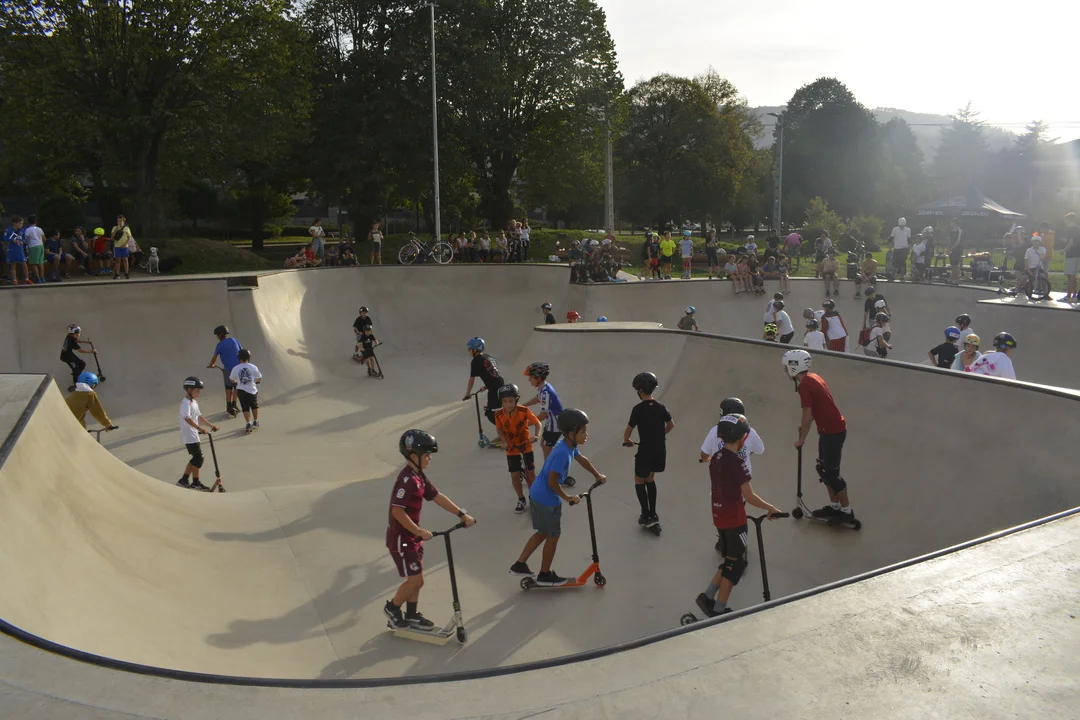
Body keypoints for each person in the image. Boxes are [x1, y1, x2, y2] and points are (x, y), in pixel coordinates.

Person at [384, 429, 476, 629]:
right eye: (426, 455)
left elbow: (436, 496)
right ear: (413, 456)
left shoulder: (418, 476)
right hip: (402, 539)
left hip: (412, 537)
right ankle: (392, 608)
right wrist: (418, 531)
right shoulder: (407, 481)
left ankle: (411, 615)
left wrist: (461, 514)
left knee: (417, 580)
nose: (430, 458)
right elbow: (397, 511)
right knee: (416, 581)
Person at [695, 413, 782, 618]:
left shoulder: (716, 457)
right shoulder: (737, 462)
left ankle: (707, 596)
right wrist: (770, 508)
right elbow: (749, 496)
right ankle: (719, 610)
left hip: (719, 516)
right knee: (736, 565)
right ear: (742, 437)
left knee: (729, 559)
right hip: (735, 519)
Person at [510, 409, 607, 585]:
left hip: (539, 494)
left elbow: (582, 459)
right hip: (546, 498)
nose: (586, 434)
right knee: (553, 536)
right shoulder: (562, 453)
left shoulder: (568, 446)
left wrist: (597, 474)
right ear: (570, 433)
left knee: (543, 532)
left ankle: (519, 564)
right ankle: (544, 574)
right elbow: (552, 481)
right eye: (582, 431)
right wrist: (567, 497)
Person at [782, 349, 854, 521]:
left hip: (833, 432)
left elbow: (807, 414)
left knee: (832, 475)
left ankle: (847, 512)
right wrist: (803, 431)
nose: (785, 371)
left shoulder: (804, 386)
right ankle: (835, 507)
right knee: (824, 470)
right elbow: (814, 412)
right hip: (828, 431)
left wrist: (801, 438)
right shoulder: (813, 377)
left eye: (786, 368)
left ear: (793, 367)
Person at [624, 372, 674, 529]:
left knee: (639, 480)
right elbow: (671, 424)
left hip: (645, 451)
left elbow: (628, 431)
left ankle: (645, 514)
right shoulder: (661, 407)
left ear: (640, 390)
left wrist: (627, 441)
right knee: (650, 479)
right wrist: (660, 435)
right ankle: (653, 513)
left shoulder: (638, 409)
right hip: (659, 450)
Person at [492, 384, 542, 513]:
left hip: (526, 445)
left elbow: (537, 423)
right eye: (505, 401)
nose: (508, 404)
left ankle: (534, 497)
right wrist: (504, 441)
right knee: (515, 476)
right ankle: (521, 498)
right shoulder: (498, 414)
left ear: (516, 400)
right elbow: (499, 429)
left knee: (531, 474)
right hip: (511, 448)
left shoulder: (524, 411)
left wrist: (536, 436)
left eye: (511, 401)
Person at [177, 376, 219, 490]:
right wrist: (200, 428)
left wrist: (211, 426)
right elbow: (187, 418)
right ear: (189, 390)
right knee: (199, 458)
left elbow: (199, 417)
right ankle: (195, 483)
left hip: (194, 434)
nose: (199, 393)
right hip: (189, 435)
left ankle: (184, 480)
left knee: (196, 458)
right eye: (197, 390)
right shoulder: (186, 403)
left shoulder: (193, 402)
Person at [522, 362, 563, 462]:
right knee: (543, 444)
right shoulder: (543, 387)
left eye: (531, 377)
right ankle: (549, 466)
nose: (529, 380)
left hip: (554, 425)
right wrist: (523, 406)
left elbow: (542, 416)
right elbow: (537, 398)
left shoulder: (545, 392)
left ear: (539, 378)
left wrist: (526, 424)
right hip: (552, 422)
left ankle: (549, 469)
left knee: (546, 447)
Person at [464, 337, 505, 428]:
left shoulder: (475, 361)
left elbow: (472, 379)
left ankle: (507, 431)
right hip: (500, 383)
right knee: (499, 411)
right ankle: (507, 430)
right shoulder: (488, 357)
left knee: (491, 413)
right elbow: (493, 374)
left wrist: (467, 393)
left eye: (470, 348)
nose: (468, 350)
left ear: (475, 349)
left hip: (494, 389)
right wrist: (486, 386)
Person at [207, 325, 243, 417]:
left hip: (228, 369)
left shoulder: (220, 345)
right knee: (237, 387)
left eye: (217, 335)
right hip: (239, 368)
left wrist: (211, 365)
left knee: (228, 387)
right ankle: (234, 404)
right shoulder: (235, 340)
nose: (217, 337)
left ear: (220, 335)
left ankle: (229, 405)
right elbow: (242, 352)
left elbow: (214, 357)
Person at [229, 348, 263, 434]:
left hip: (241, 390)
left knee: (245, 407)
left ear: (239, 358)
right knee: (254, 406)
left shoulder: (236, 368)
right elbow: (259, 377)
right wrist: (257, 382)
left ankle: (248, 423)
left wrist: (236, 381)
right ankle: (256, 420)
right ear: (249, 357)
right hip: (252, 390)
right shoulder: (253, 367)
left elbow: (232, 379)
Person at [60, 324, 98, 389]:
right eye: (77, 334)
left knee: (82, 364)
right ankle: (76, 384)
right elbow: (81, 351)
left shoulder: (69, 336)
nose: (79, 335)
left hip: (69, 354)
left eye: (79, 333)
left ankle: (77, 375)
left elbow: (76, 340)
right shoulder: (71, 341)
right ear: (72, 334)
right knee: (76, 369)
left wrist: (85, 342)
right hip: (66, 358)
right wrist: (92, 351)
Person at [4, 216, 29, 285]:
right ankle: (14, 279)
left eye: (22, 223)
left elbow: (24, 239)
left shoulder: (22, 231)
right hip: (12, 249)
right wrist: (12, 240)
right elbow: (4, 238)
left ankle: (27, 278)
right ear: (15, 223)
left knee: (24, 264)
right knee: (13, 265)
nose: (21, 225)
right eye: (19, 223)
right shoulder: (9, 230)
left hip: (20, 249)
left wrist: (22, 242)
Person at [23, 214, 46, 283]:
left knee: (33, 263)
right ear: (36, 221)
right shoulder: (39, 229)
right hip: (40, 245)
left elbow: (26, 239)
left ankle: (37, 278)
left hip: (33, 246)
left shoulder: (28, 230)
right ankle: (42, 277)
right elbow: (44, 239)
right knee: (40, 262)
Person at [110, 215, 134, 280]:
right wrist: (116, 230)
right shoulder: (114, 228)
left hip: (124, 246)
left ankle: (126, 273)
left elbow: (129, 237)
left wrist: (125, 244)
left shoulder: (126, 228)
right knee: (117, 260)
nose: (119, 222)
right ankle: (117, 274)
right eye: (118, 221)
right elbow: (112, 237)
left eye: (121, 221)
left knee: (125, 259)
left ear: (123, 221)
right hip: (117, 246)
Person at [947, 218, 964, 283]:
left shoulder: (959, 231)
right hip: (952, 249)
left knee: (956, 264)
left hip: (957, 249)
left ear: (955, 223)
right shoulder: (951, 231)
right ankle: (953, 277)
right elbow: (949, 240)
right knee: (952, 263)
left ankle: (957, 278)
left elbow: (958, 241)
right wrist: (948, 248)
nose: (950, 224)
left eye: (951, 222)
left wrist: (951, 248)